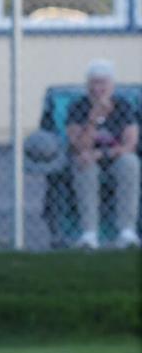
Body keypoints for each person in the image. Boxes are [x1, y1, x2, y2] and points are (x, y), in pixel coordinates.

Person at [67, 59, 140, 249]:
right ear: (87, 85)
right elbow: (79, 146)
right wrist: (93, 117)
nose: (98, 88)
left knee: (130, 162)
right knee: (84, 164)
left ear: (112, 85)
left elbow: (130, 144)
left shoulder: (123, 106)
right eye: (94, 82)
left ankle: (126, 232)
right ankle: (89, 234)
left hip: (114, 158)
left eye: (103, 82)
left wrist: (102, 153)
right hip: (88, 159)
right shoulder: (77, 107)